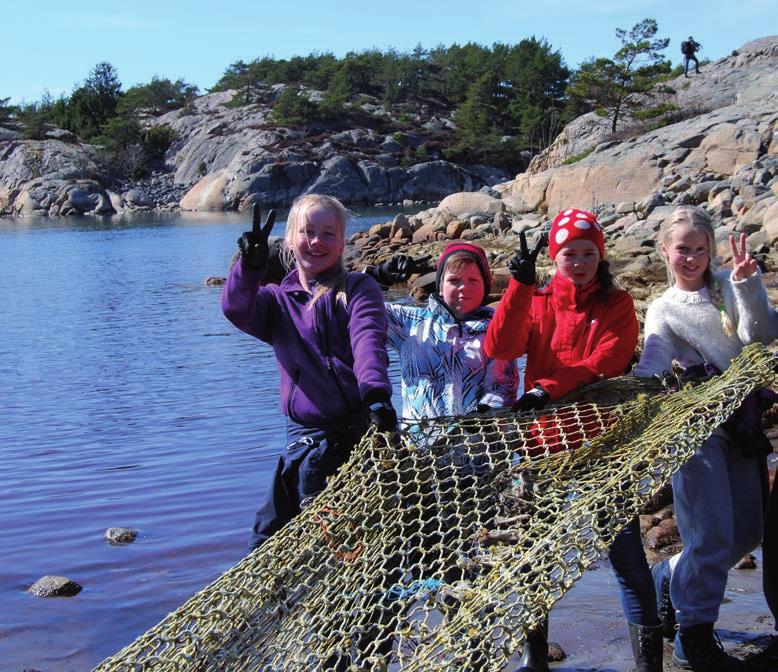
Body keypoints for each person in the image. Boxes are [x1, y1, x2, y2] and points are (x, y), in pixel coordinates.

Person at [484, 208, 662, 672]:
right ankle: (535, 659)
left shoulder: (618, 305)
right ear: (554, 257)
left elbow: (610, 359)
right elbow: (499, 349)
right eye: (569, 254)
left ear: (600, 256)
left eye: (588, 253)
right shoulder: (538, 299)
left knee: (626, 558)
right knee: (533, 559)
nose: (579, 262)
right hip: (539, 447)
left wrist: (548, 388)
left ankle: (649, 664)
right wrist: (519, 287)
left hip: (603, 447)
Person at [633, 205, 776, 671]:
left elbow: (761, 335)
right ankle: (695, 639)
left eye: (699, 250)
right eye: (682, 250)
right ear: (664, 251)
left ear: (710, 250)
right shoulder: (663, 306)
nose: (691, 258)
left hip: (744, 423)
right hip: (695, 430)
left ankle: (668, 575)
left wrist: (748, 285)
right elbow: (654, 354)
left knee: (749, 531)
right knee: (711, 533)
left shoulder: (726, 287)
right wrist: (637, 386)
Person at [221, 195, 396, 553]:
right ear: (289, 240)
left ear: (343, 242)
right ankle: (272, 601)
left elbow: (367, 340)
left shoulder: (359, 289)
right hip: (302, 435)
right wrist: (248, 268)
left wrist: (376, 394)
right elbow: (236, 309)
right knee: (267, 532)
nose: (317, 242)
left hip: (357, 428)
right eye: (308, 232)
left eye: (328, 234)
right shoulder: (274, 302)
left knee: (352, 532)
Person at [371, 241, 519, 420]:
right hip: (419, 443)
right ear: (440, 286)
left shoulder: (496, 332)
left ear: (486, 286)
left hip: (475, 442)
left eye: (472, 280)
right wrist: (376, 276)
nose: (463, 286)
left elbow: (503, 388)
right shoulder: (409, 322)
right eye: (453, 280)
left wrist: (486, 411)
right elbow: (347, 306)